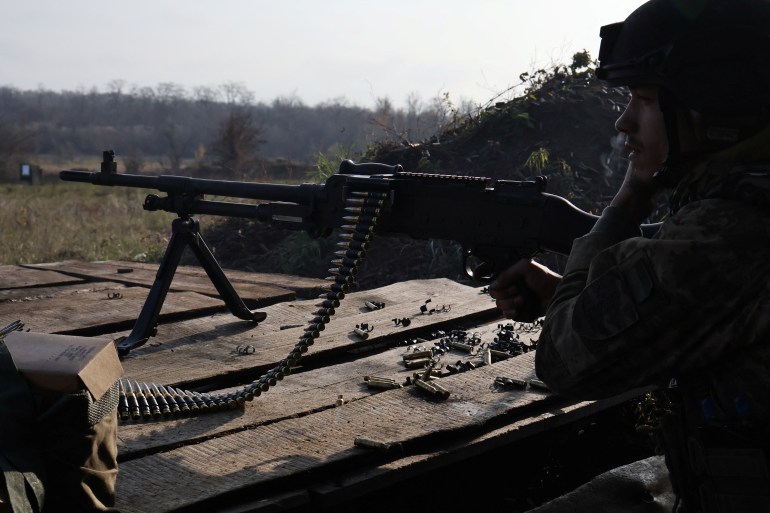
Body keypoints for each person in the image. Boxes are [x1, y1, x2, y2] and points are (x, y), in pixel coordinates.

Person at [489, 0, 770, 511]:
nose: (623, 122)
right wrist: (569, 293)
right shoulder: (743, 200)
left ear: (712, 104)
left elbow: (564, 361)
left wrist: (630, 196)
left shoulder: (731, 230)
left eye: (643, 99)